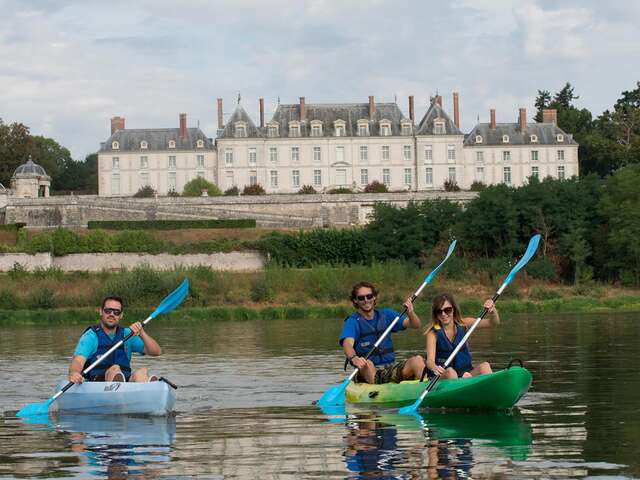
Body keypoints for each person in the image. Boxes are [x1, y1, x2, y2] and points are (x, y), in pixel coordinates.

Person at [339, 281, 426, 384]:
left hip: (388, 369)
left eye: (369, 296)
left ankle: (426, 390)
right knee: (368, 364)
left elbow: (415, 325)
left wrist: (410, 313)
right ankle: (378, 391)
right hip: (366, 371)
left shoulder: (387, 315)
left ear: (374, 297)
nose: (366, 300)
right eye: (361, 298)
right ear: (355, 301)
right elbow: (347, 344)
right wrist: (354, 358)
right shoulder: (353, 322)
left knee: (417, 360)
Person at [68, 295, 162, 383]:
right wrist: (74, 373)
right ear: (101, 311)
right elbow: (78, 361)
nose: (112, 314)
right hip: (98, 383)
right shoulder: (91, 336)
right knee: (115, 368)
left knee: (141, 371)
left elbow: (156, 352)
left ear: (121, 315)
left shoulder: (127, 334)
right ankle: (118, 383)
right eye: (108, 311)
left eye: (116, 312)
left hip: (125, 382)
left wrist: (142, 333)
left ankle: (148, 386)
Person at [424, 293, 499, 379]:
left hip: (465, 374)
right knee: (451, 372)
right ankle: (460, 386)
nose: (443, 314)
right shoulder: (433, 333)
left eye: (447, 310)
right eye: (439, 311)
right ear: (436, 314)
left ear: (453, 310)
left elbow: (493, 323)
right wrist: (434, 367)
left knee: (485, 366)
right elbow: (430, 361)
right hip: (443, 376)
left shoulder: (464, 324)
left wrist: (493, 312)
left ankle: (489, 389)